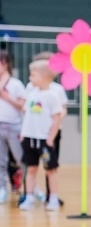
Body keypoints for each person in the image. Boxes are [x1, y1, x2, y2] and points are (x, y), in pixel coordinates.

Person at [18, 60, 62, 211]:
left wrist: (51, 137)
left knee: (50, 169)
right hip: (29, 138)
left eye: (33, 75)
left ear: (44, 76)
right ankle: (29, 196)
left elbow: (57, 117)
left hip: (44, 139)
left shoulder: (52, 96)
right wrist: (24, 134)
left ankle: (53, 198)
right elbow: (27, 115)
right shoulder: (31, 93)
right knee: (30, 168)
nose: (30, 78)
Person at [26, 51, 68, 205]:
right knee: (31, 165)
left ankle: (52, 196)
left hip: (51, 133)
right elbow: (28, 107)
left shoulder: (57, 90)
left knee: (50, 165)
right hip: (34, 133)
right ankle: (29, 194)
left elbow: (62, 109)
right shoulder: (31, 87)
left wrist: (54, 121)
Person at [0, 50, 24, 204]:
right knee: (1, 160)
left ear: (5, 64)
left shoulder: (15, 84)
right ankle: (2, 188)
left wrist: (7, 98)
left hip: (13, 126)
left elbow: (22, 105)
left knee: (21, 159)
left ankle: (31, 189)